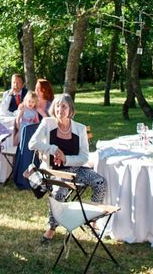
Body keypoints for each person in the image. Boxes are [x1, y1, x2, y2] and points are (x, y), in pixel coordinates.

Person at [29, 93, 106, 244]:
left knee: (100, 183)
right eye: (57, 105)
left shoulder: (80, 128)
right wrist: (52, 149)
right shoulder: (47, 123)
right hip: (54, 171)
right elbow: (32, 143)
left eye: (64, 106)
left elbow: (84, 157)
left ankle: (92, 221)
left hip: (76, 168)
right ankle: (52, 227)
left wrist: (66, 159)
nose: (60, 109)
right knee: (59, 191)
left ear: (70, 109)